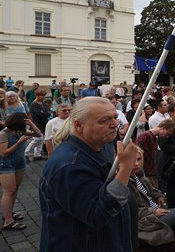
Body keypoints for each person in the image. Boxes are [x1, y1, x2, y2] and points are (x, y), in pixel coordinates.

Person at [39, 97, 137, 251]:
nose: (115, 124)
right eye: (104, 120)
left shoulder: (97, 148)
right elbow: (98, 213)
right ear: (78, 125)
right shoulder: (69, 165)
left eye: (115, 117)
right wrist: (125, 168)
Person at [0, 113, 42, 230]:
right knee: (9, 191)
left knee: (15, 189)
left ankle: (9, 212)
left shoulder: (19, 131)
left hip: (19, 162)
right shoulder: (3, 134)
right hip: (6, 164)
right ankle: (8, 221)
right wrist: (19, 142)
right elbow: (4, 153)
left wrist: (31, 124)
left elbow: (38, 134)